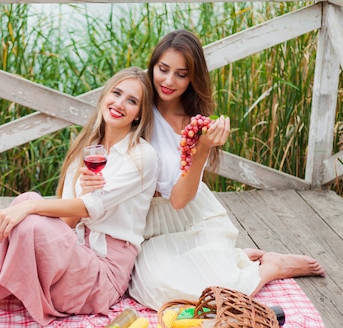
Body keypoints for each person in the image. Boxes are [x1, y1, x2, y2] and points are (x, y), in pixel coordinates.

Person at [0, 67, 159, 325]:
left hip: (102, 278)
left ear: (139, 114)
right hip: (78, 254)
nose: (120, 104)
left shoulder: (142, 158)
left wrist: (30, 208)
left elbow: (89, 207)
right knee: (26, 203)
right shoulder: (90, 149)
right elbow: (69, 223)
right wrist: (48, 201)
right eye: (116, 93)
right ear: (105, 95)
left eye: (132, 101)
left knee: (29, 215)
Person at [127, 30, 325, 310]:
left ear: (192, 78)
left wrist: (203, 149)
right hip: (149, 223)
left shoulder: (198, 125)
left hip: (189, 215)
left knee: (211, 294)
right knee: (161, 291)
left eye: (181, 74)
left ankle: (269, 268)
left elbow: (180, 200)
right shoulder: (139, 107)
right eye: (163, 69)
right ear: (153, 67)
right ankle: (239, 258)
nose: (169, 81)